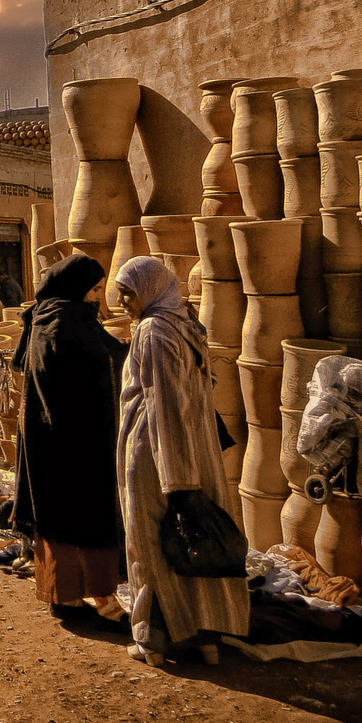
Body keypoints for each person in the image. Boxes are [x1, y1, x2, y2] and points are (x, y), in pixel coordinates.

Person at [114, 255, 250, 667]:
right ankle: (205, 639)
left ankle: (152, 641)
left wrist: (177, 482)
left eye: (128, 293)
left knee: (152, 545)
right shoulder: (185, 324)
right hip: (195, 451)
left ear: (149, 290)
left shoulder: (153, 331)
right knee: (194, 543)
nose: (122, 302)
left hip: (160, 456)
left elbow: (164, 405)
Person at [10, 253, 128, 625]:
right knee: (86, 513)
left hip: (47, 434)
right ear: (76, 287)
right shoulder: (70, 320)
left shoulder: (42, 315)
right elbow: (105, 360)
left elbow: (22, 363)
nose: (97, 297)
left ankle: (65, 598)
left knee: (55, 512)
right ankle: (100, 597)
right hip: (77, 438)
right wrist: (132, 349)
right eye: (93, 289)